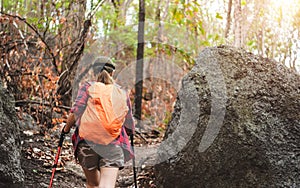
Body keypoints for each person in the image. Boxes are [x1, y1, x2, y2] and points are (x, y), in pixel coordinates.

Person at [62, 57, 135, 188]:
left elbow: (76, 111)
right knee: (106, 185)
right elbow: (129, 122)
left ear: (95, 72)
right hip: (113, 144)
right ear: (112, 73)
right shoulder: (122, 93)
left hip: (86, 144)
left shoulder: (88, 87)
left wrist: (66, 129)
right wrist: (130, 132)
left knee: (93, 183)